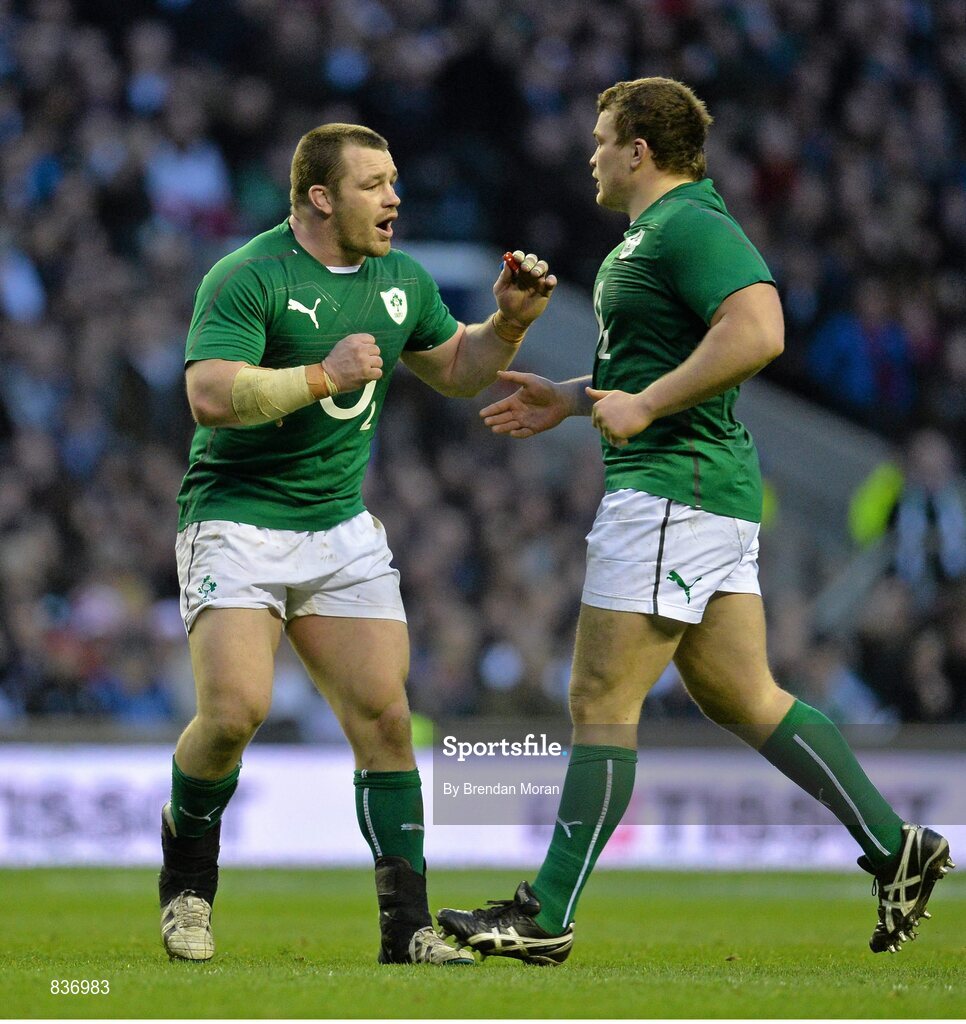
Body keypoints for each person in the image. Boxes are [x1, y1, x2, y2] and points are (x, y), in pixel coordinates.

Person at [436, 77, 954, 964]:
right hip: (698, 487)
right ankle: (895, 845)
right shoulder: (647, 238)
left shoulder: (688, 227)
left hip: (673, 489)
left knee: (602, 699)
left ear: (639, 150)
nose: (591, 155)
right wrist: (570, 399)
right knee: (743, 696)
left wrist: (645, 408)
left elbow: (759, 329)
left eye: (602, 139)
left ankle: (546, 914)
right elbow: (649, 371)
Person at [159, 122, 556, 965]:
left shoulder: (401, 278)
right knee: (233, 715)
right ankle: (188, 880)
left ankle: (405, 929)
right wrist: (320, 376)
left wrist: (509, 327)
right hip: (235, 517)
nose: (394, 198)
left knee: (385, 718)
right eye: (374, 184)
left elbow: (454, 368)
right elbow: (207, 394)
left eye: (394, 180)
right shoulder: (246, 274)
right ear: (319, 198)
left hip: (338, 527)